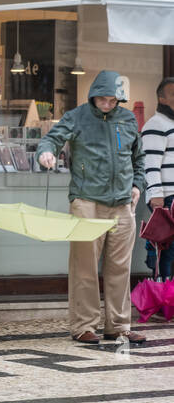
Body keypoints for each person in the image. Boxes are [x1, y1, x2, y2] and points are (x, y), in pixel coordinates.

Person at [37, 70, 146, 344]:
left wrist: (137, 186)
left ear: (118, 99)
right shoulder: (77, 116)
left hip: (122, 204)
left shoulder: (128, 119)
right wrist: (45, 153)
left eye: (112, 100)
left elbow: (139, 159)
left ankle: (119, 326)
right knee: (84, 266)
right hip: (87, 201)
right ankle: (84, 326)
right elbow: (52, 139)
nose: (107, 104)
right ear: (93, 96)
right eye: (102, 99)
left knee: (120, 267)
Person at [141, 77, 174, 278]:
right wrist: (156, 196)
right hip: (167, 198)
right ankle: (164, 300)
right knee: (166, 252)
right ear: (161, 99)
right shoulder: (156, 123)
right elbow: (150, 163)